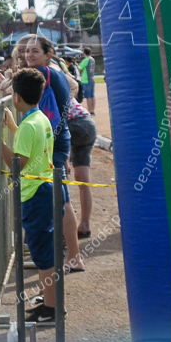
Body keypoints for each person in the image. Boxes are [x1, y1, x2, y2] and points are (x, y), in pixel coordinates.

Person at [18, 34, 84, 273]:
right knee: (61, 198)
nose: (28, 56)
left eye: (34, 51)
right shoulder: (54, 72)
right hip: (55, 138)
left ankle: (72, 256)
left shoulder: (45, 73)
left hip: (53, 141)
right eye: (26, 51)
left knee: (61, 199)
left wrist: (8, 80)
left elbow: (16, 85)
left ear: (48, 54)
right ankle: (68, 255)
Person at [0, 68, 62, 323]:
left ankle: (52, 309)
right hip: (45, 188)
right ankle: (51, 300)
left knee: (42, 253)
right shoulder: (40, 119)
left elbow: (18, 163)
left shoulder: (29, 126)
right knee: (46, 249)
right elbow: (31, 146)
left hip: (35, 193)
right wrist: (13, 128)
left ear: (15, 97)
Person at [66, 96, 97, 239]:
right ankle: (85, 225)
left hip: (72, 126)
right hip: (88, 123)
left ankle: (63, 231)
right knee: (83, 180)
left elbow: (59, 125)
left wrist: (65, 161)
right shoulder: (61, 84)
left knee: (59, 178)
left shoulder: (47, 90)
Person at [79, 47, 96, 115]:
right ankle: (92, 110)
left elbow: (80, 69)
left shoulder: (86, 60)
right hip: (92, 79)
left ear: (84, 53)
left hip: (86, 80)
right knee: (92, 96)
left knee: (88, 96)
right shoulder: (92, 59)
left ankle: (90, 111)